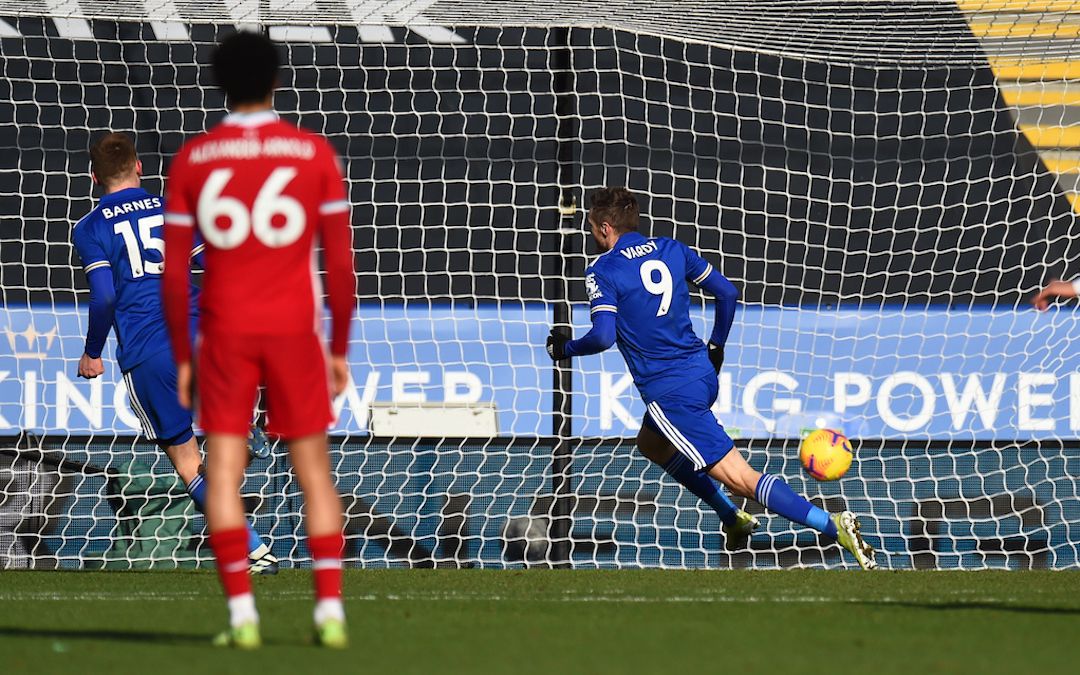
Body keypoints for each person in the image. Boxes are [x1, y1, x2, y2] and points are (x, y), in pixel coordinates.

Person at [545, 187, 877, 569]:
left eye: (590, 225)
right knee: (652, 443)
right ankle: (730, 516)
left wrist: (566, 348)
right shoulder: (671, 248)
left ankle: (832, 525)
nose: (591, 232)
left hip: (670, 391)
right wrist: (716, 347)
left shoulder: (603, 268)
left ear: (605, 227)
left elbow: (603, 336)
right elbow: (727, 293)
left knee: (741, 479)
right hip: (702, 372)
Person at [162, 32, 355, 649]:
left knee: (222, 472)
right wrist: (339, 349)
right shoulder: (312, 152)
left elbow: (174, 276)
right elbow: (340, 266)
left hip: (226, 332)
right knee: (314, 472)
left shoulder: (194, 158)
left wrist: (185, 357)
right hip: (294, 331)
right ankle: (329, 612)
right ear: (276, 80)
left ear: (220, 83)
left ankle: (243, 616)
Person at [71, 131, 278, 574]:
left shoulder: (89, 228)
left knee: (188, 464)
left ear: (94, 177)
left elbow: (104, 296)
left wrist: (92, 352)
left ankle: (255, 552)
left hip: (149, 349)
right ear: (139, 166)